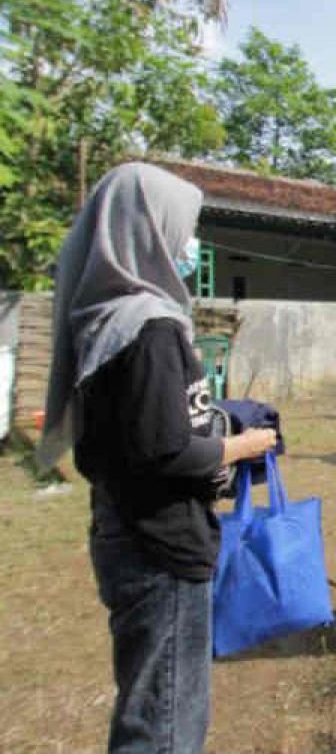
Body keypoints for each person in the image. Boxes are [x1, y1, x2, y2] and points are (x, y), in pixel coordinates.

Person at [37, 163, 279, 753]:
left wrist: (213, 418)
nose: (189, 243)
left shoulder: (105, 317)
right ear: (149, 229)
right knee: (165, 723)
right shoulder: (151, 326)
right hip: (160, 543)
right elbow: (164, 450)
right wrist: (245, 444)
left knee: (148, 703)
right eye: (183, 227)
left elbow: (141, 431)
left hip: (125, 527)